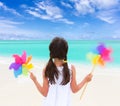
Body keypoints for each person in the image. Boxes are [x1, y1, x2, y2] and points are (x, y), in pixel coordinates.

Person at [30, 37, 93, 106]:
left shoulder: (47, 69)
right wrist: (85, 80)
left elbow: (45, 93)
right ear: (65, 52)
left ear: (51, 52)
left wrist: (34, 80)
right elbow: (74, 89)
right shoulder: (71, 68)